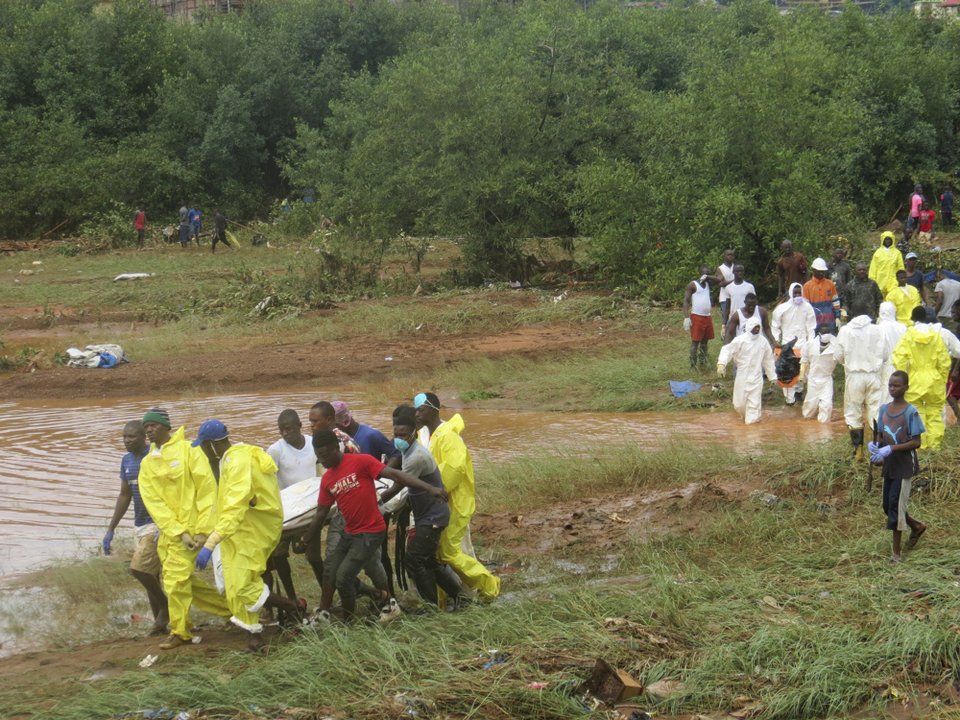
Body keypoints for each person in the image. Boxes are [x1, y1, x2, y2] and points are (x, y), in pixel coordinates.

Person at [300, 430, 448, 622]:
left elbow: (395, 474)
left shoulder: (361, 461)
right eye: (319, 457)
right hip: (350, 532)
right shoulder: (327, 479)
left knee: (344, 578)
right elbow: (321, 513)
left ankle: (349, 623)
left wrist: (430, 488)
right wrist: (306, 539)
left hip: (370, 531)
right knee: (331, 570)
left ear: (337, 448)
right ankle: (327, 612)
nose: (323, 461)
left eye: (326, 455)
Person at [192, 420, 303, 651]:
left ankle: (292, 606)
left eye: (203, 446)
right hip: (239, 530)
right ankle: (254, 637)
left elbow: (235, 505)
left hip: (255, 530)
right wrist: (208, 532)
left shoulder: (237, 461)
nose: (202, 450)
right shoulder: (231, 458)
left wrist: (211, 543)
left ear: (212, 444)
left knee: (243, 584)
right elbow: (232, 501)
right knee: (234, 583)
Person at [136, 408, 230, 649]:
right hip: (172, 534)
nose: (148, 430)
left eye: (153, 425)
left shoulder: (190, 451)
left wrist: (200, 531)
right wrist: (178, 532)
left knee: (177, 582)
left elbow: (207, 490)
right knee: (179, 582)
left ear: (166, 427)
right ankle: (231, 611)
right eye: (146, 426)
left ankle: (180, 632)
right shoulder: (147, 464)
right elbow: (154, 502)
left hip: (196, 530)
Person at [305, 401, 392, 619]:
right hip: (340, 510)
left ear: (329, 419)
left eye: (315, 421)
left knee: (364, 562)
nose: (311, 425)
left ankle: (385, 600)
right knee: (336, 563)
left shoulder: (343, 443)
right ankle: (331, 608)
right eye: (310, 422)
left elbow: (356, 472)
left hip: (351, 515)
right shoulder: (320, 442)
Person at [414, 392, 501, 600]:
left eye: (421, 410)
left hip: (455, 504)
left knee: (453, 552)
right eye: (415, 410)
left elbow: (452, 471)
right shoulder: (425, 436)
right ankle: (454, 596)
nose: (416, 414)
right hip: (437, 505)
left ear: (433, 410)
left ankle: (488, 587)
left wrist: (428, 490)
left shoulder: (449, 437)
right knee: (442, 553)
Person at [380, 405, 462, 610]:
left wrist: (379, 501)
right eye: (396, 434)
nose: (398, 438)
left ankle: (432, 606)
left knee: (414, 560)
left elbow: (399, 484)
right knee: (428, 560)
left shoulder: (416, 457)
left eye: (403, 435)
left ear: (413, 434)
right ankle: (458, 597)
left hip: (432, 517)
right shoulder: (406, 449)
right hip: (430, 514)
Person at [102, 421, 168, 635]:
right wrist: (111, 529)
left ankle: (166, 608)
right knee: (151, 576)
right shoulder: (126, 460)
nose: (126, 441)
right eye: (124, 437)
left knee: (138, 569)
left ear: (143, 437)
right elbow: (125, 494)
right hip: (139, 523)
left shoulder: (155, 456)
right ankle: (160, 623)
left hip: (157, 522)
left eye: (131, 437)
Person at [867, 370, 926, 564]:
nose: (893, 388)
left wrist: (892, 448)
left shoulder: (911, 412)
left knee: (896, 507)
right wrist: (876, 446)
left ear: (906, 387)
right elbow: (881, 435)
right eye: (890, 385)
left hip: (904, 466)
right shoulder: (884, 409)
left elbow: (916, 442)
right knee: (887, 506)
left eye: (897, 385)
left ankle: (896, 554)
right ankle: (916, 526)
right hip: (889, 465)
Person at [265, 409, 318, 605]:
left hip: (310, 509)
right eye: (281, 431)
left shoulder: (313, 444)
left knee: (313, 556)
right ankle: (292, 598)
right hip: (285, 511)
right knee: (279, 555)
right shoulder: (275, 450)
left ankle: (324, 596)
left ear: (299, 426)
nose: (285, 434)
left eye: (288, 429)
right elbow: (267, 479)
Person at [892, 307, 951, 450]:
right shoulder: (936, 336)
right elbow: (944, 362)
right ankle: (935, 446)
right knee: (935, 412)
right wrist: (941, 379)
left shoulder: (908, 335)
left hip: (914, 378)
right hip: (934, 378)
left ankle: (921, 446)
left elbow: (899, 359)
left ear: (913, 319)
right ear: (926, 318)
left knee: (916, 412)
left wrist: (902, 380)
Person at [833, 314, 888, 459]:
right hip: (874, 375)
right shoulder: (878, 330)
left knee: (852, 412)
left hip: (854, 375)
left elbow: (838, 356)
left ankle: (858, 452)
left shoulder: (845, 330)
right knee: (876, 411)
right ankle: (878, 451)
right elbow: (886, 355)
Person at [717, 317, 777, 425]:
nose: (757, 329)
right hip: (742, 376)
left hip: (756, 377)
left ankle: (752, 429)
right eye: (755, 327)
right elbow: (727, 350)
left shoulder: (763, 342)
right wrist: (721, 364)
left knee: (753, 406)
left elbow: (768, 360)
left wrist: (772, 376)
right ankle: (746, 417)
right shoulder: (740, 340)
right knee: (739, 404)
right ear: (749, 327)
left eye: (758, 327)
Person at [771, 282, 817, 404]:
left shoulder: (807, 307)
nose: (797, 295)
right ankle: (789, 399)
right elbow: (775, 325)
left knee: (802, 370)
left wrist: (811, 342)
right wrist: (776, 340)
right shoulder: (782, 308)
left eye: (799, 292)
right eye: (795, 293)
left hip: (803, 345)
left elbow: (811, 326)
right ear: (791, 293)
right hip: (787, 345)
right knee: (788, 371)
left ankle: (799, 392)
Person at [333, 402, 400, 465]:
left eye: (335, 425)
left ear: (345, 421)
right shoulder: (338, 439)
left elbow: (395, 455)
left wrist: (382, 473)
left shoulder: (371, 435)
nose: (333, 429)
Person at [682, 265, 715, 370]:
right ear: (699, 273)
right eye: (704, 273)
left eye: (707, 273)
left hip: (707, 316)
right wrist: (686, 317)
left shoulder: (708, 284)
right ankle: (693, 365)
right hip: (697, 316)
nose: (705, 276)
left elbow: (719, 280)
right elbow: (686, 300)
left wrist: (709, 277)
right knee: (695, 342)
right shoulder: (693, 284)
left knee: (705, 341)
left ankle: (703, 361)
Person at [799, 333, 836, 424]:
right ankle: (807, 423)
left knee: (827, 404)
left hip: (826, 378)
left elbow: (843, 358)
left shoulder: (836, 345)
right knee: (810, 404)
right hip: (813, 378)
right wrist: (802, 375)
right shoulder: (810, 344)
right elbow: (804, 360)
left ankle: (824, 426)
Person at [877, 301, 907, 402]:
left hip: (885, 365)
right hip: (902, 365)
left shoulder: (878, 328)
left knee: (886, 393)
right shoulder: (903, 327)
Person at [803, 257, 841, 335]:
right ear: (813, 270)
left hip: (830, 320)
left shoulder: (830, 284)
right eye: (819, 271)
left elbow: (835, 301)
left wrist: (837, 317)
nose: (822, 274)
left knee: (831, 341)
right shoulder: (807, 286)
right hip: (815, 320)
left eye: (823, 271)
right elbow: (805, 306)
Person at [869, 231, 905, 297]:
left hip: (893, 283)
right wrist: (872, 282)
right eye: (886, 239)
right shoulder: (878, 253)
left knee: (893, 302)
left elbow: (900, 268)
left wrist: (900, 281)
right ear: (883, 240)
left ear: (893, 240)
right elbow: (873, 269)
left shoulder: (897, 253)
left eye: (889, 239)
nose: (888, 241)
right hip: (880, 282)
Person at [716, 249, 736, 326]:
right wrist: (734, 281)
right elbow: (721, 283)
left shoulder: (736, 267)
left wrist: (727, 281)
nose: (730, 256)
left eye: (732, 255)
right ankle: (725, 334)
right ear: (724, 256)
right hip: (724, 297)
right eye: (728, 255)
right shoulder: (720, 268)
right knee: (726, 318)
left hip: (735, 296)